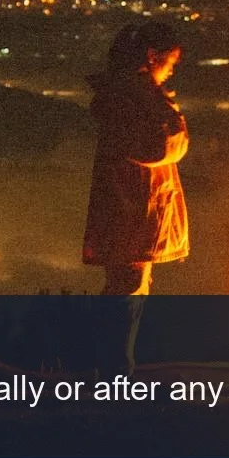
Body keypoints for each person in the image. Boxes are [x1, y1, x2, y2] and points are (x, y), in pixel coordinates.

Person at [83, 20, 190, 296]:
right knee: (127, 291)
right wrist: (168, 112)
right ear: (152, 56)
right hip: (131, 222)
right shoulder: (132, 99)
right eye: (171, 61)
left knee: (131, 290)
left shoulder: (128, 96)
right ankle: (107, 341)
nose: (171, 70)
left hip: (130, 221)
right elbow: (162, 146)